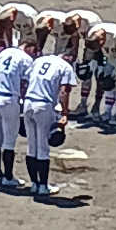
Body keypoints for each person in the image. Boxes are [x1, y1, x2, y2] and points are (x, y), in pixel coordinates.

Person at [22, 53, 77, 197]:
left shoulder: (40, 60)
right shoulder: (65, 67)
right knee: (42, 148)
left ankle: (34, 184)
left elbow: (25, 81)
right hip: (43, 105)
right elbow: (64, 91)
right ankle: (43, 186)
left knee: (31, 147)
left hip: (28, 102)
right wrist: (65, 113)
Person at [0, 39, 37, 186]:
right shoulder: (26, 59)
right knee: (9, 141)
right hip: (9, 99)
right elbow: (26, 82)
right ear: (29, 47)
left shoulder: (4, 53)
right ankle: (8, 177)